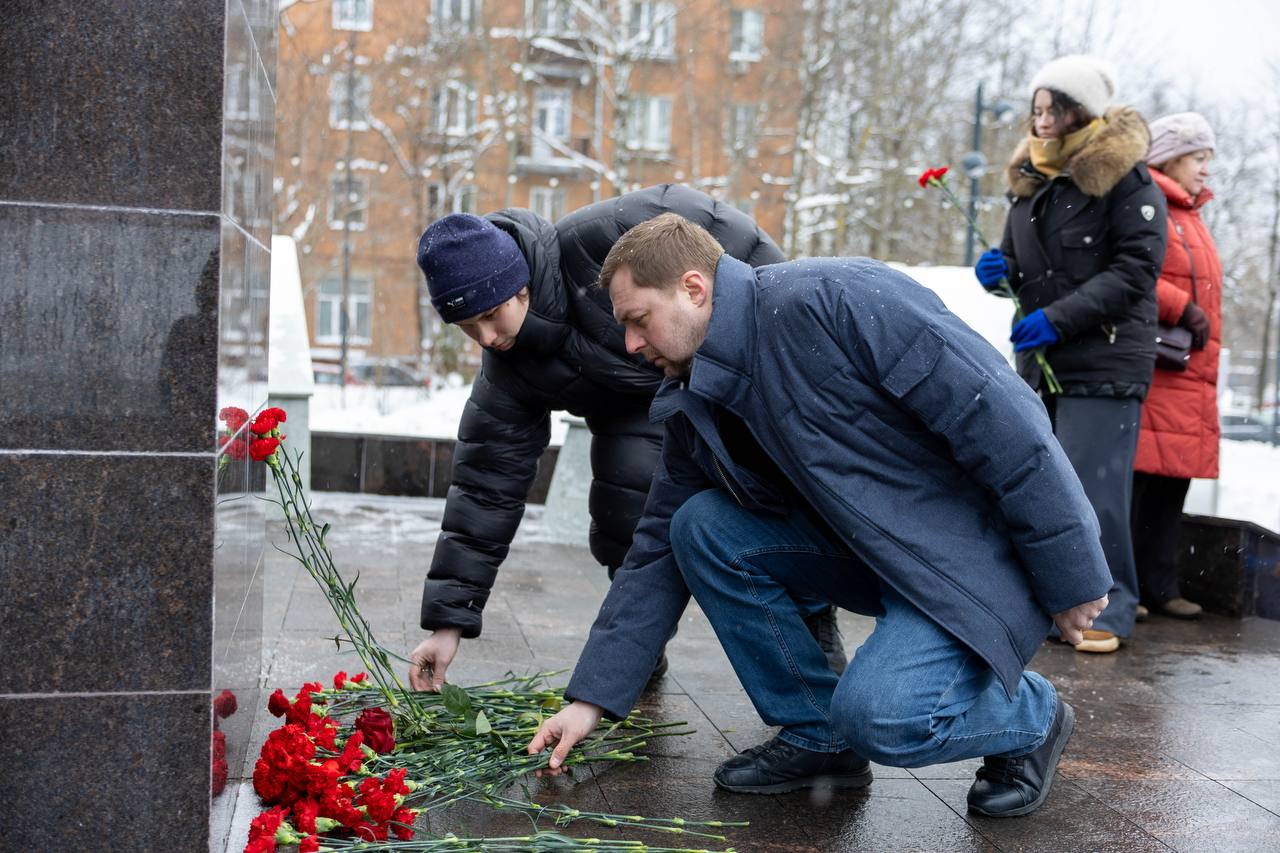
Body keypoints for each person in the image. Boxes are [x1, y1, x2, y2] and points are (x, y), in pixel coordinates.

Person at [527, 213, 1111, 818]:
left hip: (967, 557)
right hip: (873, 556)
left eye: (637, 320)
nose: (630, 344)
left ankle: (1033, 718)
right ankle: (817, 736)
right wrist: (590, 699)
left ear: (694, 289)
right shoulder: (695, 395)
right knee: (697, 527)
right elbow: (654, 550)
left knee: (884, 718)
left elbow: (1005, 420)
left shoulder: (837, 299)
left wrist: (1071, 574)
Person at [407, 185, 849, 692]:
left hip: (714, 372)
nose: (485, 338)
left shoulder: (612, 234)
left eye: (490, 315)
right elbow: (486, 483)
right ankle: (637, 649)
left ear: (521, 286)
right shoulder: (508, 367)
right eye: (466, 327)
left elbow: (734, 245)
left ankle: (814, 626)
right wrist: (449, 623)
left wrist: (769, 333)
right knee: (625, 515)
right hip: (628, 409)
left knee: (771, 498)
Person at [973, 55, 1167, 653]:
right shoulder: (1030, 181)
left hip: (1105, 361)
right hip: (1043, 363)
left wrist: (1056, 320)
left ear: (1079, 110)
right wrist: (998, 275)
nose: (1040, 120)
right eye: (1035, 109)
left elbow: (1136, 270)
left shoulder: (1126, 181)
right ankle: (1061, 603)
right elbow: (1024, 264)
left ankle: (1113, 608)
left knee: (1096, 489)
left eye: (1051, 108)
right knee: (1047, 483)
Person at [1131, 112, 1222, 620]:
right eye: (1198, 157)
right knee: (1141, 484)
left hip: (1191, 371)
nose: (1205, 169)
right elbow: (1133, 269)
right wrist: (1179, 307)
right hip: (1162, 367)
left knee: (1171, 487)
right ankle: (1133, 591)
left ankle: (1162, 587)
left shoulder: (1192, 215)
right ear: (1169, 157)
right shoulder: (1150, 206)